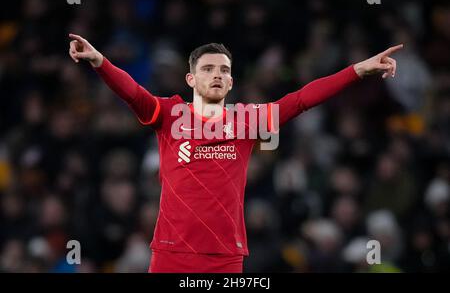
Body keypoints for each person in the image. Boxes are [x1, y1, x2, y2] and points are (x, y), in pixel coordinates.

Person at [68, 33, 402, 272]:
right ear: (190, 78)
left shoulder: (248, 120)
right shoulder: (169, 114)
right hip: (172, 252)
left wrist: (357, 70)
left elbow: (301, 99)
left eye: (224, 71)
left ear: (230, 83)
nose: (217, 75)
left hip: (225, 256)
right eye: (208, 69)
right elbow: (133, 93)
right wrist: (100, 62)